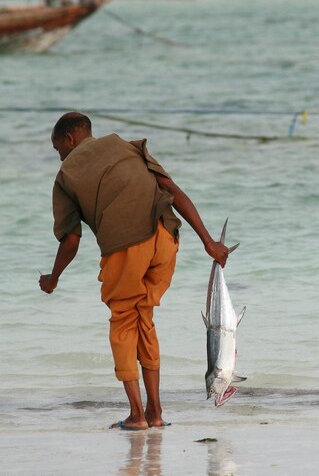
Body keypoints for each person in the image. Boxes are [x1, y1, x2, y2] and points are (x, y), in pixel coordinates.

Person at [39, 112, 228, 431]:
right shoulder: (126, 146)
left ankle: (138, 416)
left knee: (123, 322)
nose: (60, 156)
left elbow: (71, 240)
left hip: (126, 245)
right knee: (144, 317)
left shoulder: (66, 174)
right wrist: (208, 242)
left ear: (69, 139)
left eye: (58, 148)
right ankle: (155, 413)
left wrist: (53, 278)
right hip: (166, 237)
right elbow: (171, 188)